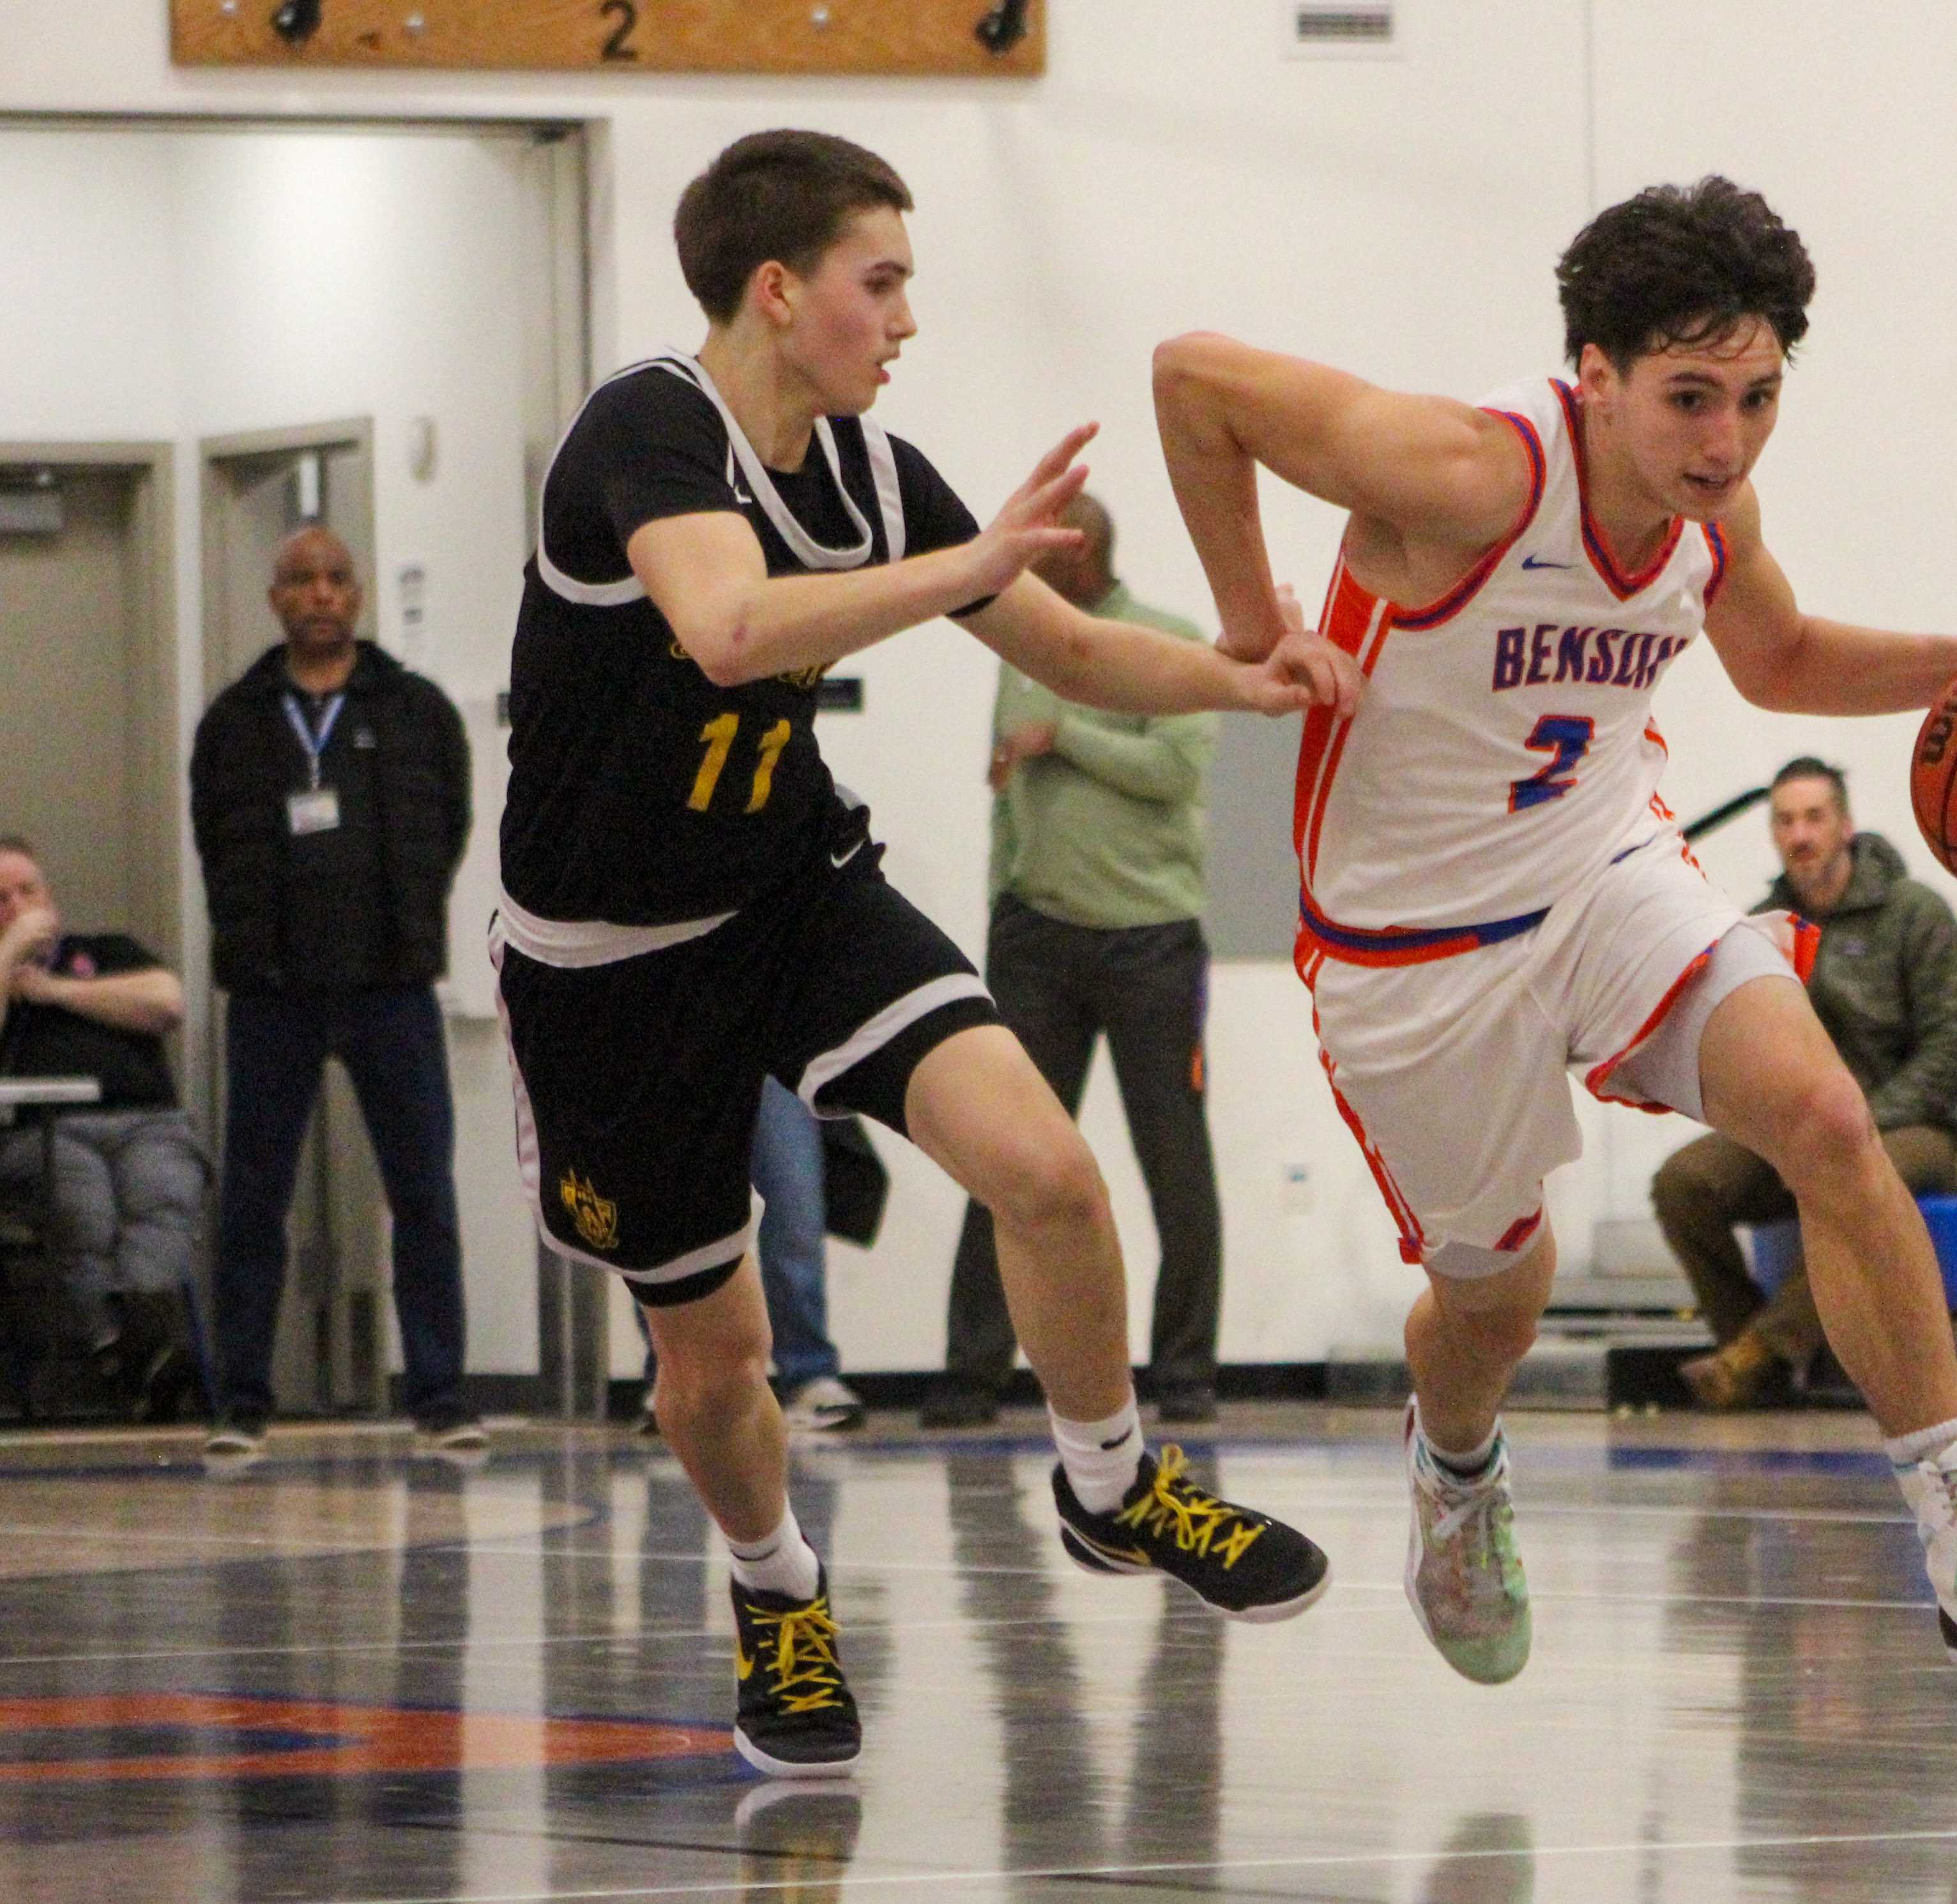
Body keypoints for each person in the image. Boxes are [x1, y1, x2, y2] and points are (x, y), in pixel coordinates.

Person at [1153, 176, 1957, 1686]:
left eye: (1758, 397)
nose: (1726, 438)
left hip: (1602, 869)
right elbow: (1193, 379)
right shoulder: (1471, 471)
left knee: (1832, 1117)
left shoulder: (1715, 511)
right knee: (1495, 1299)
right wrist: (1251, 622)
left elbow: (1784, 657)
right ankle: (1455, 1463)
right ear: (1598, 377)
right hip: (1411, 949)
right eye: (1690, 397)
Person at [493, 129, 1343, 1778]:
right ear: (776, 288)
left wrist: (1246, 679)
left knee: (1047, 1168)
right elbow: (728, 627)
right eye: (879, 282)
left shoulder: (869, 470)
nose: (904, 319)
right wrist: (955, 568)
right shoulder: (647, 427)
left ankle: (1110, 1479)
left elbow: (1071, 643)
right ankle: (776, 1585)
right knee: (712, 1366)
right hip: (607, 961)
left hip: (792, 892)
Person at [925, 492, 1228, 1429]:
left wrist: (1066, 736)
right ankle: (972, 1374)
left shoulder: (1167, 639)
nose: (1024, 573)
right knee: (1004, 1161)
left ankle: (1182, 1375)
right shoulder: (1018, 651)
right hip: (1035, 941)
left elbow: (1175, 773)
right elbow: (1004, 798)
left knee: (1171, 1159)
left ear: (1083, 553)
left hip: (1149, 942)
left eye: (1044, 556)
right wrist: (1000, 904)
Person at [190, 528, 480, 1459]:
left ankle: (439, 1398)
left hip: (390, 986)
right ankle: (242, 1402)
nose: (320, 594)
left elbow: (452, 822)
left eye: (335, 580)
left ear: (357, 597)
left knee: (423, 1195)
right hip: (272, 993)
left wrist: (413, 925)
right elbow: (213, 840)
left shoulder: (414, 710)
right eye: (301, 581)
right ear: (276, 599)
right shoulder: (235, 719)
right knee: (251, 1203)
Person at [1653, 758, 1957, 1409]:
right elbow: (1736, 1050)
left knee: (1844, 1167)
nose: (1799, 834)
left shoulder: (1916, 912)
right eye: (1785, 820)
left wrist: (1852, 1127)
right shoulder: (1759, 925)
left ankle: (1759, 1351)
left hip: (1913, 1126)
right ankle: (1752, 1353)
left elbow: (1948, 1050)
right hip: (1795, 1126)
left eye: (1814, 817)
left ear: (1846, 825)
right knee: (1683, 1183)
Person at [0, 836, 204, 1411]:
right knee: (83, 1209)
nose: (17, 906)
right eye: (0, 899)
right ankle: (145, 1355)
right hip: (43, 1133)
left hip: (147, 1123)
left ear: (51, 896)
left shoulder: (106, 950)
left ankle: (130, 1354)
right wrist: (7, 955)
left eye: (28, 891)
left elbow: (165, 1002)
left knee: (162, 1198)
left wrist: (53, 990)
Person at [636, 1077, 867, 1436]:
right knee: (668, 1209)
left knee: (795, 1213)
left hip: (768, 1049)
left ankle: (809, 1373)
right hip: (675, 1042)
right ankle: (676, 1376)